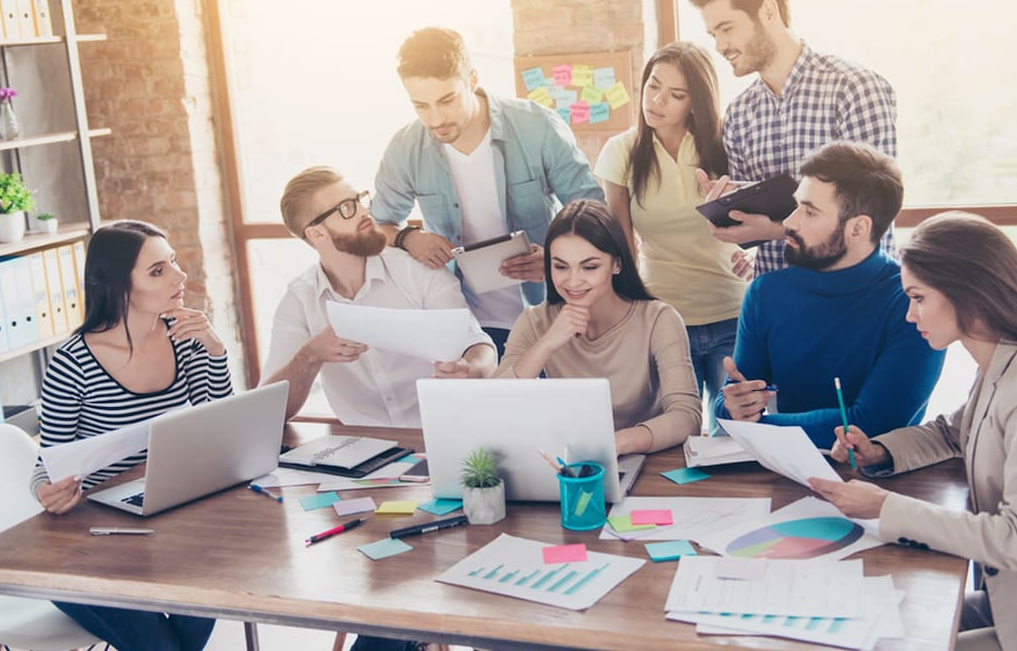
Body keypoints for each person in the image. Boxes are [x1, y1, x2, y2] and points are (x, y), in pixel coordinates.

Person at [809, 212, 1017, 651]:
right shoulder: (1002, 363)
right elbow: (953, 432)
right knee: (887, 619)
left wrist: (886, 506)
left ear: (968, 292)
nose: (910, 315)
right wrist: (878, 452)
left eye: (918, 298)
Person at [31, 220, 230, 651]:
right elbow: (45, 465)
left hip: (165, 522)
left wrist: (216, 350)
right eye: (158, 271)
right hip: (88, 547)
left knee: (222, 577)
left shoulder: (185, 337)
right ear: (120, 287)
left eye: (173, 262)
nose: (180, 276)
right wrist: (47, 489)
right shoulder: (73, 363)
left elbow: (223, 425)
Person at [371, 27, 604, 357]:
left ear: (473, 79)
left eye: (446, 100)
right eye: (421, 105)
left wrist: (557, 262)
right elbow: (376, 228)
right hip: (466, 324)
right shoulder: (406, 147)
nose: (435, 119)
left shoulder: (536, 127)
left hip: (551, 313)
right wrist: (408, 238)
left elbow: (595, 213)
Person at [713, 142, 943, 447]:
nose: (790, 223)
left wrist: (760, 427)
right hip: (788, 470)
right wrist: (732, 406)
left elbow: (874, 423)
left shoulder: (913, 302)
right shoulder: (764, 294)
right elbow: (732, 403)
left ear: (858, 228)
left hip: (880, 480)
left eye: (809, 212)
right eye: (797, 205)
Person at [688, 0, 897, 278]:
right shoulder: (740, 114)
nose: (719, 46)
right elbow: (756, 219)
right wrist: (730, 202)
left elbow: (867, 213)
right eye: (713, 34)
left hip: (856, 297)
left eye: (726, 28)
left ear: (768, 12)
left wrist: (773, 230)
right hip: (777, 298)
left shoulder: (854, 89)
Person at [261, 166, 496, 425]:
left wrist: (470, 369)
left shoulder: (416, 272)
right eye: (345, 208)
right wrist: (311, 354)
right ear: (317, 233)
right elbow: (269, 409)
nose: (363, 212)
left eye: (358, 200)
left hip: (444, 431)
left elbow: (479, 347)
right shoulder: (299, 299)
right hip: (362, 450)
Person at [594, 41, 745, 430]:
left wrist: (755, 253)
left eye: (676, 95)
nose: (657, 101)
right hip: (664, 317)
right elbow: (621, 246)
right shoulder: (622, 151)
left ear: (695, 102)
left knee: (736, 436)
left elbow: (761, 223)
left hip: (732, 311)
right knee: (675, 440)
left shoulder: (726, 146)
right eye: (653, 86)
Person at [494, 200, 702, 454]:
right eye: (560, 266)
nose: (573, 281)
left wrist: (614, 444)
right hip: (573, 465)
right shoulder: (534, 322)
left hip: (647, 462)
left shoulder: (659, 319)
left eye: (589, 267)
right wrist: (548, 342)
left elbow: (686, 416)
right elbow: (496, 402)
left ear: (617, 264)